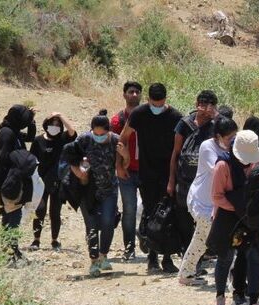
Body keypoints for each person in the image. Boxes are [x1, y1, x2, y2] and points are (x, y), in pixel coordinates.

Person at [120, 83, 183, 273]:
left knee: (168, 214)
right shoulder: (139, 113)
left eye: (160, 103)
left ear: (165, 100)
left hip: (168, 172)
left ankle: (167, 257)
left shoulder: (175, 117)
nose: (157, 107)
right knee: (149, 212)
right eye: (154, 103)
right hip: (146, 172)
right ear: (148, 100)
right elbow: (123, 137)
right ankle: (152, 257)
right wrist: (123, 161)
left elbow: (178, 148)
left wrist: (174, 177)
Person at [69, 110, 130, 276]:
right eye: (96, 134)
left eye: (102, 135)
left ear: (108, 131)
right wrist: (79, 171)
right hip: (87, 190)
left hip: (109, 189)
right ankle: (94, 260)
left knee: (108, 222)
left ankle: (104, 255)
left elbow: (126, 164)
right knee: (91, 225)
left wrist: (125, 155)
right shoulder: (83, 140)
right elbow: (70, 158)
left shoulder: (116, 140)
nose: (99, 137)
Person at [177, 115, 235, 286]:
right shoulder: (207, 146)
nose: (232, 141)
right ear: (218, 136)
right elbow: (218, 170)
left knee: (202, 239)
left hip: (216, 202)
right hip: (201, 201)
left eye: (234, 137)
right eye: (229, 138)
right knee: (206, 238)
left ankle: (186, 273)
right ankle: (230, 280)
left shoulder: (230, 148)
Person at [210, 129, 259, 305]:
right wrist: (239, 207)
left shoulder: (256, 163)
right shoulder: (223, 166)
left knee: (253, 256)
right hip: (226, 217)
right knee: (225, 257)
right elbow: (217, 197)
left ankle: (254, 299)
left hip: (248, 218)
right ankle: (220, 295)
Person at [170, 90, 219, 281]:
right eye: (203, 103)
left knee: (201, 227)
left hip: (205, 186)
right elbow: (175, 153)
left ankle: (193, 267)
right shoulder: (185, 124)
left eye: (210, 104)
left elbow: (231, 134)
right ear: (196, 103)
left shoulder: (215, 126)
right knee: (185, 226)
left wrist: (215, 116)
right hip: (184, 183)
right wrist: (171, 181)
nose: (205, 108)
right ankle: (189, 266)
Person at [228, 116, 259, 305]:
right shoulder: (233, 161)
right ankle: (239, 290)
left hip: (252, 215)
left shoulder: (251, 159)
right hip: (242, 215)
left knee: (250, 255)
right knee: (243, 255)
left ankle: (249, 294)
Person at [28, 112, 77, 252]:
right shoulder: (38, 141)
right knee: (40, 211)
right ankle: (36, 240)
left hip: (57, 182)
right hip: (40, 182)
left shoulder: (62, 139)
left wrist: (61, 116)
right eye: (52, 124)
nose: (54, 127)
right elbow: (32, 160)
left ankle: (54, 240)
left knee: (55, 212)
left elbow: (72, 132)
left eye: (57, 125)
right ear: (46, 125)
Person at [0, 104, 37, 262]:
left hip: (15, 178)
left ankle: (10, 250)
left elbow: (30, 137)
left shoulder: (13, 131)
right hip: (9, 180)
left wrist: (32, 121)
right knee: (12, 216)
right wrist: (0, 182)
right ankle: (11, 252)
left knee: (10, 215)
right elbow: (1, 158)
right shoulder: (7, 133)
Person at [112, 81, 143, 261]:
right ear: (124, 95)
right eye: (130, 92)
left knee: (150, 209)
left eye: (137, 92)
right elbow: (116, 145)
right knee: (129, 209)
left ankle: (148, 240)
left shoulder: (147, 117)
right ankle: (129, 248)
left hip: (146, 171)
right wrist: (118, 167)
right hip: (127, 171)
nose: (134, 95)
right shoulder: (117, 121)